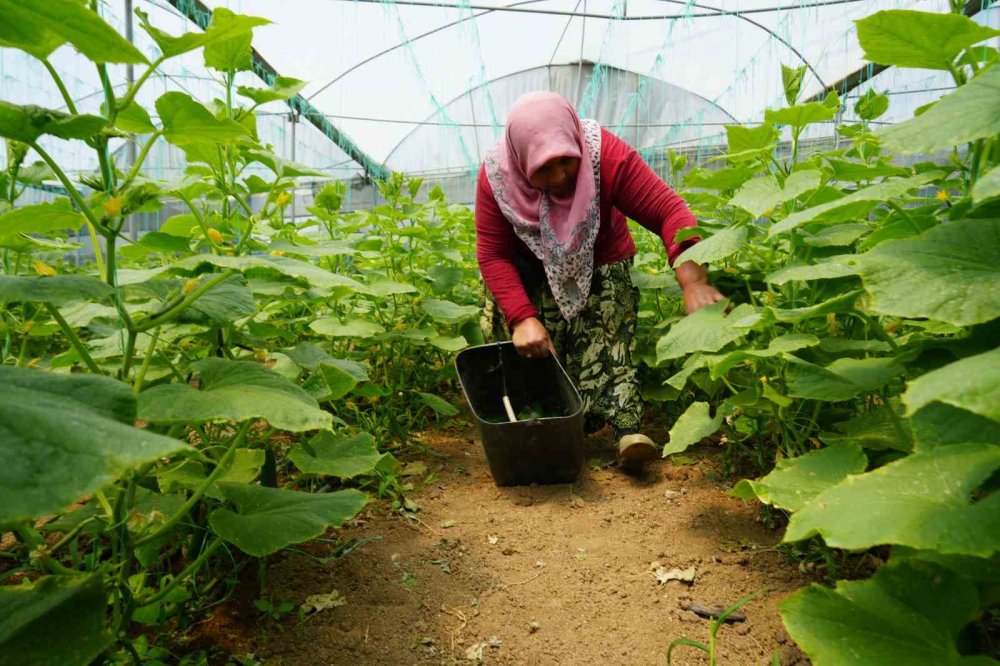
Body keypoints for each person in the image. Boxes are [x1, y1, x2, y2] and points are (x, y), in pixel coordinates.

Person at [475, 91, 725, 471]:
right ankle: (542, 425)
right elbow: (492, 254)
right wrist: (521, 317)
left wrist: (693, 280)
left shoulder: (604, 156)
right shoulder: (496, 177)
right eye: (544, 167)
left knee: (609, 333)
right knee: (540, 356)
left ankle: (626, 429)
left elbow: (667, 210)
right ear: (521, 160)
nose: (559, 177)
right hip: (528, 270)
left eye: (565, 161)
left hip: (601, 256)